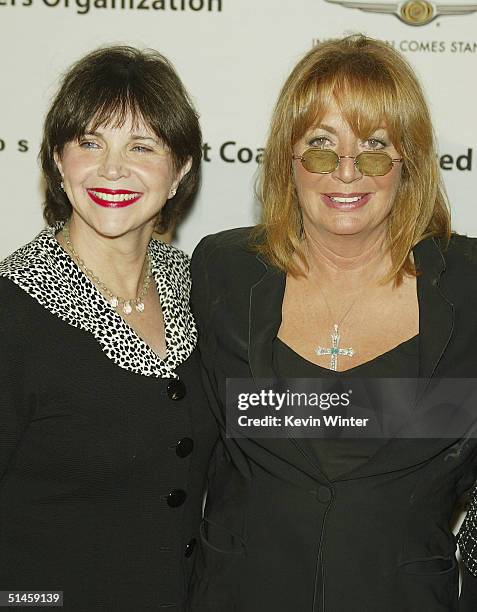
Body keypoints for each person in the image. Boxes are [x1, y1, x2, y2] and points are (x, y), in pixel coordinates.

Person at [190, 35, 477, 611]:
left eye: (374, 148)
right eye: (321, 146)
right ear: (288, 159)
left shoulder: (470, 286)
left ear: (408, 165)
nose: (346, 173)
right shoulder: (221, 270)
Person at [0, 46, 217, 611]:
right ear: (57, 162)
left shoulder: (202, 293)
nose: (112, 169)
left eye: (142, 146)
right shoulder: (10, 311)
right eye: (89, 143)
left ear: (181, 171)